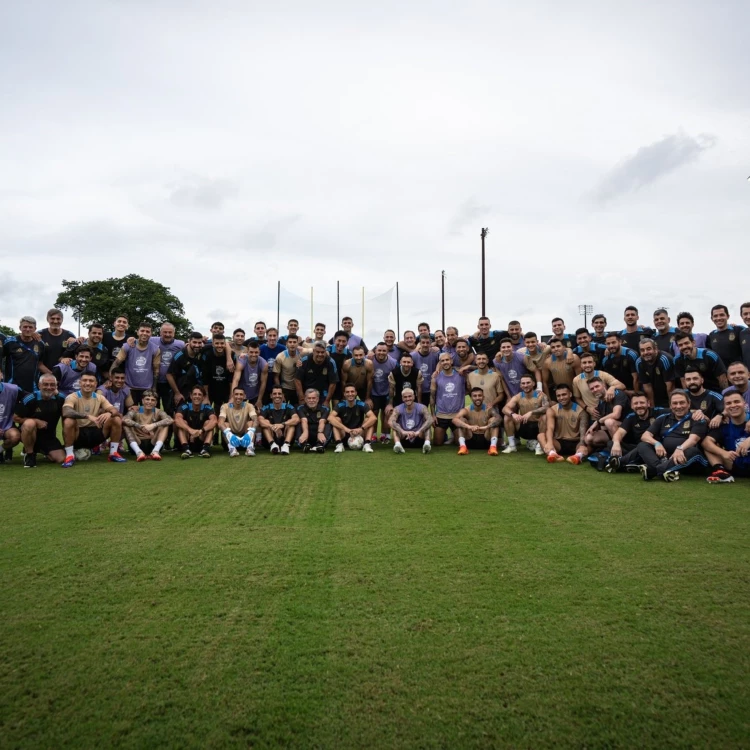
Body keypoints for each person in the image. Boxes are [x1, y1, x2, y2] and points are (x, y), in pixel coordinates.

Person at [631, 389, 708, 482]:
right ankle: (664, 469)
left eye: (682, 403)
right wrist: (657, 444)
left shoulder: (697, 418)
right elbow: (645, 436)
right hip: (668, 459)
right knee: (643, 445)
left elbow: (693, 440)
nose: (678, 406)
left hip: (690, 460)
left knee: (692, 450)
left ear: (689, 403)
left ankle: (653, 471)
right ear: (670, 405)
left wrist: (680, 448)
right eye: (675, 403)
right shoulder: (663, 418)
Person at [61, 372, 127, 467]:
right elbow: (66, 411)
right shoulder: (72, 396)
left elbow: (114, 410)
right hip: (78, 434)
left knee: (116, 419)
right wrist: (87, 416)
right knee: (68, 421)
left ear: (96, 384)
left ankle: (113, 453)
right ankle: (70, 456)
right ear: (80, 383)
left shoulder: (99, 397)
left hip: (95, 433)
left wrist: (109, 412)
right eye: (85, 380)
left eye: (91, 381)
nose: (88, 383)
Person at [605, 393, 667, 473]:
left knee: (643, 446)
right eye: (635, 403)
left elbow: (675, 412)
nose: (639, 405)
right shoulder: (631, 416)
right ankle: (637, 463)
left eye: (642, 402)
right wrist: (616, 443)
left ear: (648, 404)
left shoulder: (659, 412)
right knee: (611, 443)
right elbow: (619, 433)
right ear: (632, 406)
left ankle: (621, 462)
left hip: (656, 448)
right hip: (637, 448)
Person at [15, 373, 66, 467]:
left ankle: (41, 449)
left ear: (56, 386)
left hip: (48, 437)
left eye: (52, 385)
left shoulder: (61, 399)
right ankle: (29, 455)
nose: (49, 387)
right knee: (30, 423)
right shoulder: (30, 398)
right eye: (45, 384)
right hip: (29, 433)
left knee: (61, 459)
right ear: (39, 385)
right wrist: (36, 421)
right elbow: (15, 417)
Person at [702, 389, 750, 483]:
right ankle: (721, 472)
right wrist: (724, 453)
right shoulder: (724, 424)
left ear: (744, 403)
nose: (733, 405)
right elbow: (706, 442)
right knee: (708, 446)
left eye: (737, 402)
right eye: (728, 403)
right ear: (724, 407)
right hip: (735, 464)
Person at [109, 321, 161, 403]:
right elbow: (116, 363)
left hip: (147, 388)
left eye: (147, 331)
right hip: (129, 387)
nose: (145, 333)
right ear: (137, 332)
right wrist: (111, 379)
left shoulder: (155, 349)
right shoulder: (128, 346)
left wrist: (154, 388)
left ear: (151, 334)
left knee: (146, 414)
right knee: (129, 413)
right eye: (142, 331)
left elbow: (156, 370)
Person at [540, 383, 589, 464]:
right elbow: (550, 428)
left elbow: (583, 433)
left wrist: (582, 444)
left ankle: (578, 456)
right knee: (541, 436)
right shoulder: (552, 410)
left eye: (564, 394)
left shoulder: (581, 411)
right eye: (558, 396)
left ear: (570, 394)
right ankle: (553, 454)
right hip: (559, 443)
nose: (561, 398)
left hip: (576, 442)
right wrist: (549, 443)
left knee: (589, 440)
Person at [502, 375, 548, 455]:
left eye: (528, 383)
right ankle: (512, 445)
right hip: (523, 426)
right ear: (520, 385)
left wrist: (531, 412)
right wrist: (513, 414)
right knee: (507, 417)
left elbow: (547, 408)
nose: (525, 385)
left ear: (533, 383)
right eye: (523, 383)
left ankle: (539, 446)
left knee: (545, 417)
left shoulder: (541, 395)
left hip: (537, 427)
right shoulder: (518, 396)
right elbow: (505, 408)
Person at [122, 390, 173, 461]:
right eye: (147, 399)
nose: (149, 402)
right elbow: (124, 419)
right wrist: (140, 426)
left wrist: (153, 425)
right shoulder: (136, 410)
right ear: (142, 401)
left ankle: (155, 451)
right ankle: (138, 452)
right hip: (138, 443)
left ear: (156, 403)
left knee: (165, 425)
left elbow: (170, 420)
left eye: (153, 400)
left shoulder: (158, 411)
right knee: (126, 425)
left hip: (153, 443)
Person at [3, 316, 50, 392]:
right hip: (12, 386)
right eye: (25, 327)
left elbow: (40, 364)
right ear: (20, 328)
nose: (28, 329)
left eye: (30, 327)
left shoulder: (40, 344)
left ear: (35, 329)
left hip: (33, 387)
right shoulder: (10, 342)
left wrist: (52, 375)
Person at [582, 377, 629, 453]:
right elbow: (601, 421)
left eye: (597, 386)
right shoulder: (601, 402)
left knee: (608, 422)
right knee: (589, 438)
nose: (595, 390)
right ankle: (609, 448)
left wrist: (599, 421)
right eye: (592, 388)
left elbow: (616, 415)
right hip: (613, 429)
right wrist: (595, 424)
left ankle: (621, 450)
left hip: (627, 428)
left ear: (604, 385)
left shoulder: (617, 393)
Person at [453, 387, 502, 455]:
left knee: (494, 420)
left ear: (483, 397)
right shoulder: (466, 410)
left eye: (480, 395)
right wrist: (469, 426)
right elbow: (454, 419)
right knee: (461, 420)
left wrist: (486, 427)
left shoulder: (489, 409)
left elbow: (499, 418)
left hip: (486, 439)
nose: (477, 398)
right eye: (475, 396)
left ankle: (493, 448)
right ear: (471, 398)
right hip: (470, 439)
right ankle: (463, 447)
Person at [328, 384, 377, 452]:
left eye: (352, 391)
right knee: (336, 420)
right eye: (347, 392)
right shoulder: (340, 404)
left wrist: (361, 429)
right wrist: (347, 429)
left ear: (356, 393)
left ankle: (367, 444)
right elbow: (330, 418)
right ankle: (339, 444)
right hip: (345, 433)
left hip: (359, 433)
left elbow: (374, 418)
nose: (350, 394)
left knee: (368, 420)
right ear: (344, 394)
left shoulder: (361, 404)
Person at [430, 352, 465, 446]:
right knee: (437, 443)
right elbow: (432, 397)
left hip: (457, 415)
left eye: (447, 360)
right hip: (442, 415)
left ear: (451, 361)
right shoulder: (436, 377)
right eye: (442, 361)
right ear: (440, 363)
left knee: (460, 443)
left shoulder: (461, 374)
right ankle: (447, 436)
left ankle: (454, 436)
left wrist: (467, 367)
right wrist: (433, 415)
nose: (445, 362)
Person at [174, 386, 217, 459]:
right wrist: (190, 430)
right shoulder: (185, 406)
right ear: (191, 396)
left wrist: (201, 431)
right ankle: (186, 450)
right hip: (187, 438)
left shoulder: (207, 408)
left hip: (201, 438)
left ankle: (205, 449)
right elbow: (177, 419)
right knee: (182, 422)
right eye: (195, 394)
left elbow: (214, 421)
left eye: (199, 394)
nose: (197, 396)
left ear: (203, 397)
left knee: (209, 423)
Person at [367, 342, 398, 443]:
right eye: (379, 350)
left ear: (387, 351)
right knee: (374, 413)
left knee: (387, 413)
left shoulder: (393, 362)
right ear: (375, 351)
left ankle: (386, 435)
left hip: (387, 392)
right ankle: (374, 435)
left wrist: (391, 400)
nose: (381, 352)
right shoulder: (369, 360)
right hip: (374, 392)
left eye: (384, 350)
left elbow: (396, 380)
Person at [167, 331, 206, 406]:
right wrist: (177, 393)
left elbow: (220, 344)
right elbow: (169, 375)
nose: (197, 345)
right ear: (189, 341)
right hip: (181, 391)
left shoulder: (202, 351)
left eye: (199, 343)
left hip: (196, 393)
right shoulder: (180, 355)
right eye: (194, 342)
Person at [389, 388, 433, 453]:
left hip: (419, 436)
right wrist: (403, 432)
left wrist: (418, 432)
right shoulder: (398, 408)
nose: (407, 399)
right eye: (405, 397)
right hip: (404, 437)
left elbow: (430, 419)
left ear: (414, 397)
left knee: (427, 425)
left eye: (410, 396)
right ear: (402, 398)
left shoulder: (422, 407)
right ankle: (397, 445)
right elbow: (390, 421)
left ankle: (427, 444)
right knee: (395, 426)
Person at [294, 342, 337, 408]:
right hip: (307, 391)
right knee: (304, 414)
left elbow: (333, 383)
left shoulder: (331, 362)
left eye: (322, 352)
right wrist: (301, 398)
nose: (320, 354)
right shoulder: (304, 361)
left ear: (325, 352)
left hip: (323, 392)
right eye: (318, 352)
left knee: (324, 413)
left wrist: (327, 401)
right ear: (313, 351)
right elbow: (297, 380)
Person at [202, 334, 236, 419]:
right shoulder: (207, 355)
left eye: (222, 343)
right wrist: (206, 396)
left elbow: (232, 378)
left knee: (227, 414)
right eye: (217, 343)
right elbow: (205, 377)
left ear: (225, 344)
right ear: (213, 344)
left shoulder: (231, 355)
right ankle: (215, 432)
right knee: (210, 413)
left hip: (225, 388)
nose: (219, 346)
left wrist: (231, 396)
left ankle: (226, 431)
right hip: (211, 387)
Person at [218, 387, 258, 457]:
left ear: (244, 396)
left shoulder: (249, 406)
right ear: (232, 395)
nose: (238, 397)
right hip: (231, 439)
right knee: (225, 424)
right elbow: (220, 423)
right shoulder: (225, 406)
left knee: (251, 423)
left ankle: (250, 448)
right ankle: (232, 449)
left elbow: (255, 420)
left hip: (246, 439)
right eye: (236, 394)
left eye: (241, 394)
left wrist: (251, 432)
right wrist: (229, 434)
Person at [635, 338, 675, 408]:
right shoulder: (639, 362)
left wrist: (671, 406)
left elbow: (670, 387)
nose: (645, 352)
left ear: (655, 349)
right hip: (655, 396)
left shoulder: (665, 359)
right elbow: (647, 386)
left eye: (648, 349)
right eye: (642, 350)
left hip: (668, 395)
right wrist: (652, 408)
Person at [258, 386, 299, 454]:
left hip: (285, 436)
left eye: (279, 394)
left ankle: (286, 445)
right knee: (266, 423)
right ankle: (273, 445)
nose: (277, 396)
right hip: (270, 438)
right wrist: (272, 426)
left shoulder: (288, 406)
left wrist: (282, 425)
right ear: (271, 396)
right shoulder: (266, 407)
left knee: (291, 424)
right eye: (275, 394)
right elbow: (260, 420)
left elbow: (296, 419)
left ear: (283, 396)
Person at [296, 388, 331, 453]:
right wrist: (305, 432)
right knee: (298, 424)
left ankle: (320, 445)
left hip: (319, 433)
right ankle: (304, 445)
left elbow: (322, 421)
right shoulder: (300, 408)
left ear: (317, 399)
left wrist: (320, 432)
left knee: (328, 424)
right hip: (306, 434)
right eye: (309, 398)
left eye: (313, 398)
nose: (311, 400)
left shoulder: (325, 409)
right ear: (305, 399)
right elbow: (304, 420)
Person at [273, 334, 302, 405]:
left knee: (298, 411)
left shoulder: (302, 355)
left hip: (298, 388)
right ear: (286, 344)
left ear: (297, 343)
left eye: (294, 342)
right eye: (290, 342)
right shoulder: (280, 357)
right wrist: (281, 393)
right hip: (285, 388)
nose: (292, 344)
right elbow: (276, 377)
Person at [259, 328, 286, 404]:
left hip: (278, 382)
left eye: (274, 335)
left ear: (277, 337)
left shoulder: (282, 348)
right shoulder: (261, 348)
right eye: (270, 335)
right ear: (266, 336)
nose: (272, 338)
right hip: (264, 383)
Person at [411, 335, 439, 405]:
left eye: (427, 343)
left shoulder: (436, 354)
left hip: (433, 389)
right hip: (419, 390)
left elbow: (441, 363)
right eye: (423, 343)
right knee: (421, 413)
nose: (425, 345)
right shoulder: (413, 356)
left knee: (437, 412)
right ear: (420, 344)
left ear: (430, 344)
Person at [0, 380, 22, 463]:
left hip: (7, 425)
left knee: (15, 437)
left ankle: (0, 450)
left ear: (1, 375)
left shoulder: (13, 389)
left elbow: (29, 398)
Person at [326, 331, 352, 400]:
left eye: (344, 341)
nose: (341, 344)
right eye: (339, 341)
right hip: (326, 383)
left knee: (337, 406)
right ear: (334, 340)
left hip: (340, 384)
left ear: (347, 342)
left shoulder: (349, 354)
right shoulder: (328, 350)